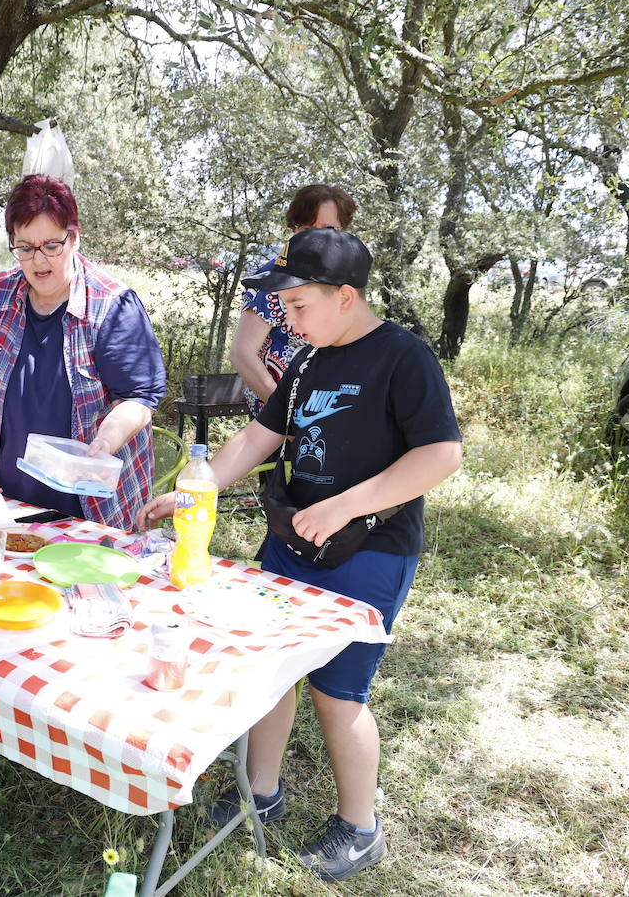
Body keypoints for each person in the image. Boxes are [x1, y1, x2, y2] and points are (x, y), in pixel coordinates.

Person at [139, 228, 462, 882]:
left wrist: (347, 505)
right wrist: (189, 491)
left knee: (337, 693)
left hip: (370, 550)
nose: (287, 320)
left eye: (298, 306)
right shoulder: (311, 361)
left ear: (346, 297)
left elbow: (441, 455)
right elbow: (257, 438)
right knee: (269, 668)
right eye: (282, 308)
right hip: (291, 543)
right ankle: (262, 792)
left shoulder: (402, 357)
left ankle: (360, 829)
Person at [0, 175, 165, 532]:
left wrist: (105, 442)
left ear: (74, 238)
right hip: (12, 500)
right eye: (25, 247)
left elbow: (138, 400)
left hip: (95, 508)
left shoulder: (113, 305)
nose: (39, 261)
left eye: (52, 245)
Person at [229, 184, 356, 417]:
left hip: (331, 412)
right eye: (307, 227)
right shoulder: (271, 281)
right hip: (282, 416)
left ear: (343, 232)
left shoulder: (342, 282)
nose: (317, 237)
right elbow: (241, 354)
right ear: (294, 229)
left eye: (329, 228)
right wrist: (287, 415)